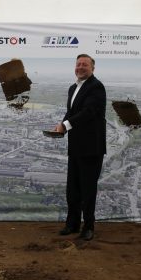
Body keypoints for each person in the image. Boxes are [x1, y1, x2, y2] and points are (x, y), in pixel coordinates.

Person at [54, 54, 106, 241]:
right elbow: (71, 112)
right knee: (73, 189)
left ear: (93, 68)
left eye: (85, 64)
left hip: (91, 148)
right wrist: (61, 127)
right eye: (78, 64)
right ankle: (72, 224)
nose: (80, 67)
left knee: (88, 189)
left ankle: (88, 227)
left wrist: (66, 125)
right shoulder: (72, 88)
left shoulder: (96, 87)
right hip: (75, 146)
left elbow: (88, 112)